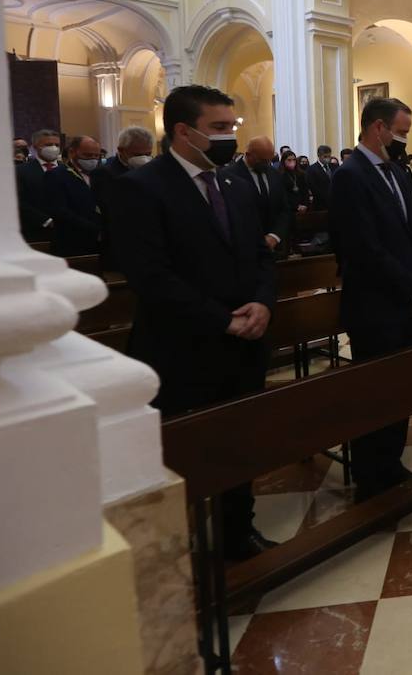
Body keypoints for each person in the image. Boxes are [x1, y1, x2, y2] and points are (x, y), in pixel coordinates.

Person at [109, 84, 276, 560]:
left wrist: (263, 304)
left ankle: (236, 533)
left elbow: (261, 257)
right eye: (219, 128)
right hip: (182, 347)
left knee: (239, 444)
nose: (229, 138)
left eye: (232, 127)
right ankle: (178, 554)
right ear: (183, 132)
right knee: (189, 455)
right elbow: (151, 276)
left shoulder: (235, 185)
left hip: (246, 342)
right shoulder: (140, 188)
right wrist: (222, 319)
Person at [329, 97, 412, 500]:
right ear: (379, 128)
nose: (404, 139)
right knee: (375, 394)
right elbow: (363, 249)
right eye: (402, 131)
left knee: (400, 389)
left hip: (405, 302)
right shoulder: (350, 175)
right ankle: (371, 477)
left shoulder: (396, 172)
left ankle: (391, 464)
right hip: (374, 306)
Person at [93, 125, 155, 270]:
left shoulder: (154, 169)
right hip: (121, 243)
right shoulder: (104, 173)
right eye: (137, 154)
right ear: (121, 150)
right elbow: (110, 211)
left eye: (148, 153)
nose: (143, 158)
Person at [221, 137, 290, 256]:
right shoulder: (228, 176)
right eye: (263, 160)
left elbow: (284, 209)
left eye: (269, 160)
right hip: (245, 249)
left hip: (275, 246)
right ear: (248, 155)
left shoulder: (274, 173)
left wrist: (275, 236)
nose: (267, 164)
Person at [44, 135, 103, 256]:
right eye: (87, 155)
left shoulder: (102, 174)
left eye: (96, 156)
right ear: (72, 152)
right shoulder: (56, 176)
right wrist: (94, 229)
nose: (93, 159)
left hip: (101, 243)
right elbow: (59, 210)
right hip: (72, 242)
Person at [15, 128, 62, 243]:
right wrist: (46, 220)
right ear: (35, 147)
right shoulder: (20, 171)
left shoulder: (67, 169)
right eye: (49, 144)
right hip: (36, 232)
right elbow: (18, 201)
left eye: (57, 145)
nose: (54, 148)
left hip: (67, 231)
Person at [278, 149, 312, 221]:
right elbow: (283, 194)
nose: (292, 162)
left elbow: (305, 191)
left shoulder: (301, 174)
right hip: (289, 209)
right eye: (289, 160)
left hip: (303, 208)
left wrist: (305, 205)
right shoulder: (280, 175)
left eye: (294, 160)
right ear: (284, 161)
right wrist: (296, 206)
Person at [305, 144, 334, 211]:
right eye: (325, 156)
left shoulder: (333, 167)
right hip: (320, 204)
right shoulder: (311, 169)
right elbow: (313, 187)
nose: (327, 158)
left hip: (334, 203)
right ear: (319, 155)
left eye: (329, 156)